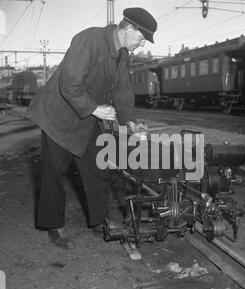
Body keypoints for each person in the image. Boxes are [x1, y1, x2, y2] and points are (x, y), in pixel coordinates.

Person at [28, 7, 158, 250]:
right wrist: (96, 109)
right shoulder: (88, 40)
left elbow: (122, 90)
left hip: (87, 119)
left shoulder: (123, 55)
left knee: (98, 168)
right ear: (129, 29)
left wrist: (129, 120)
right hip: (59, 118)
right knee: (53, 174)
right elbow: (69, 82)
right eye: (141, 38)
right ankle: (53, 225)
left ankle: (99, 221)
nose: (141, 45)